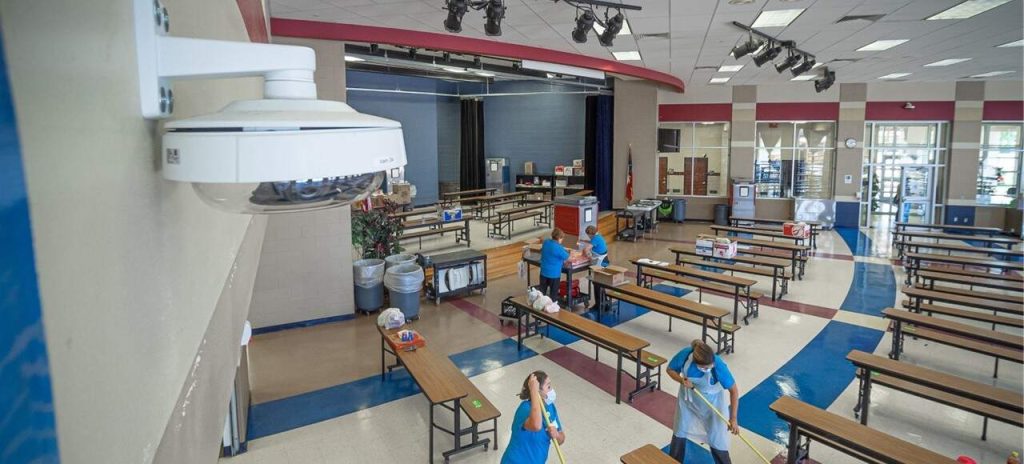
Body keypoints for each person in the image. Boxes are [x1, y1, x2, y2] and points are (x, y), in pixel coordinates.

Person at [666, 340, 740, 464]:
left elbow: (734, 391)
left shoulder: (718, 365)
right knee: (679, 431)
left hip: (713, 404)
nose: (709, 368)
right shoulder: (686, 355)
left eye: (710, 366)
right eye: (705, 368)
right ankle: (674, 461)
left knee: (718, 440)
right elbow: (670, 369)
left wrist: (733, 419)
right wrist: (681, 380)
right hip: (688, 400)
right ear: (697, 364)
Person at [501, 371, 565, 464]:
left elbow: (561, 439)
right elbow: (536, 425)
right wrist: (534, 390)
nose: (552, 390)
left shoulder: (550, 407)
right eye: (548, 387)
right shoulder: (525, 408)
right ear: (537, 392)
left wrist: (557, 435)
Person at [539, 228, 569, 301]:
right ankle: (552, 307)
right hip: (554, 274)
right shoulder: (558, 247)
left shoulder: (546, 242)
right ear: (559, 238)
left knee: (541, 293)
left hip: (543, 272)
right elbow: (568, 257)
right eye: (562, 238)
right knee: (553, 294)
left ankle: (539, 306)